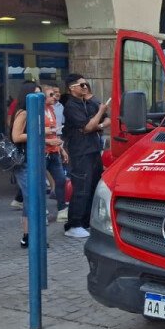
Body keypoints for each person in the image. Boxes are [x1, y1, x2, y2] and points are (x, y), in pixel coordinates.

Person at [62, 73, 110, 239]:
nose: (85, 88)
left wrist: (99, 123)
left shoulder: (87, 103)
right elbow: (88, 126)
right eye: (81, 85)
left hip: (93, 149)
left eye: (86, 85)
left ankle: (85, 221)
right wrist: (99, 115)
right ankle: (73, 224)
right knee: (81, 187)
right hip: (80, 151)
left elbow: (103, 121)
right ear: (72, 88)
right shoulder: (71, 106)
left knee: (92, 185)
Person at [10, 81, 45, 248]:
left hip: (31, 159)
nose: (40, 98)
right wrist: (39, 134)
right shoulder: (23, 113)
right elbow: (16, 136)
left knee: (30, 197)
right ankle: (32, 235)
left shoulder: (33, 112)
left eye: (41, 94)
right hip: (23, 161)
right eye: (36, 94)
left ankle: (28, 235)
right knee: (32, 197)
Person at [42, 84, 69, 223]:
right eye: (51, 95)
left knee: (61, 179)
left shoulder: (52, 109)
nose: (54, 97)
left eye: (54, 94)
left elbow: (54, 132)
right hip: (43, 152)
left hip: (54, 150)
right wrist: (47, 141)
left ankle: (61, 209)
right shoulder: (37, 111)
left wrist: (61, 149)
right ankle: (42, 212)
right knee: (40, 183)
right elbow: (31, 133)